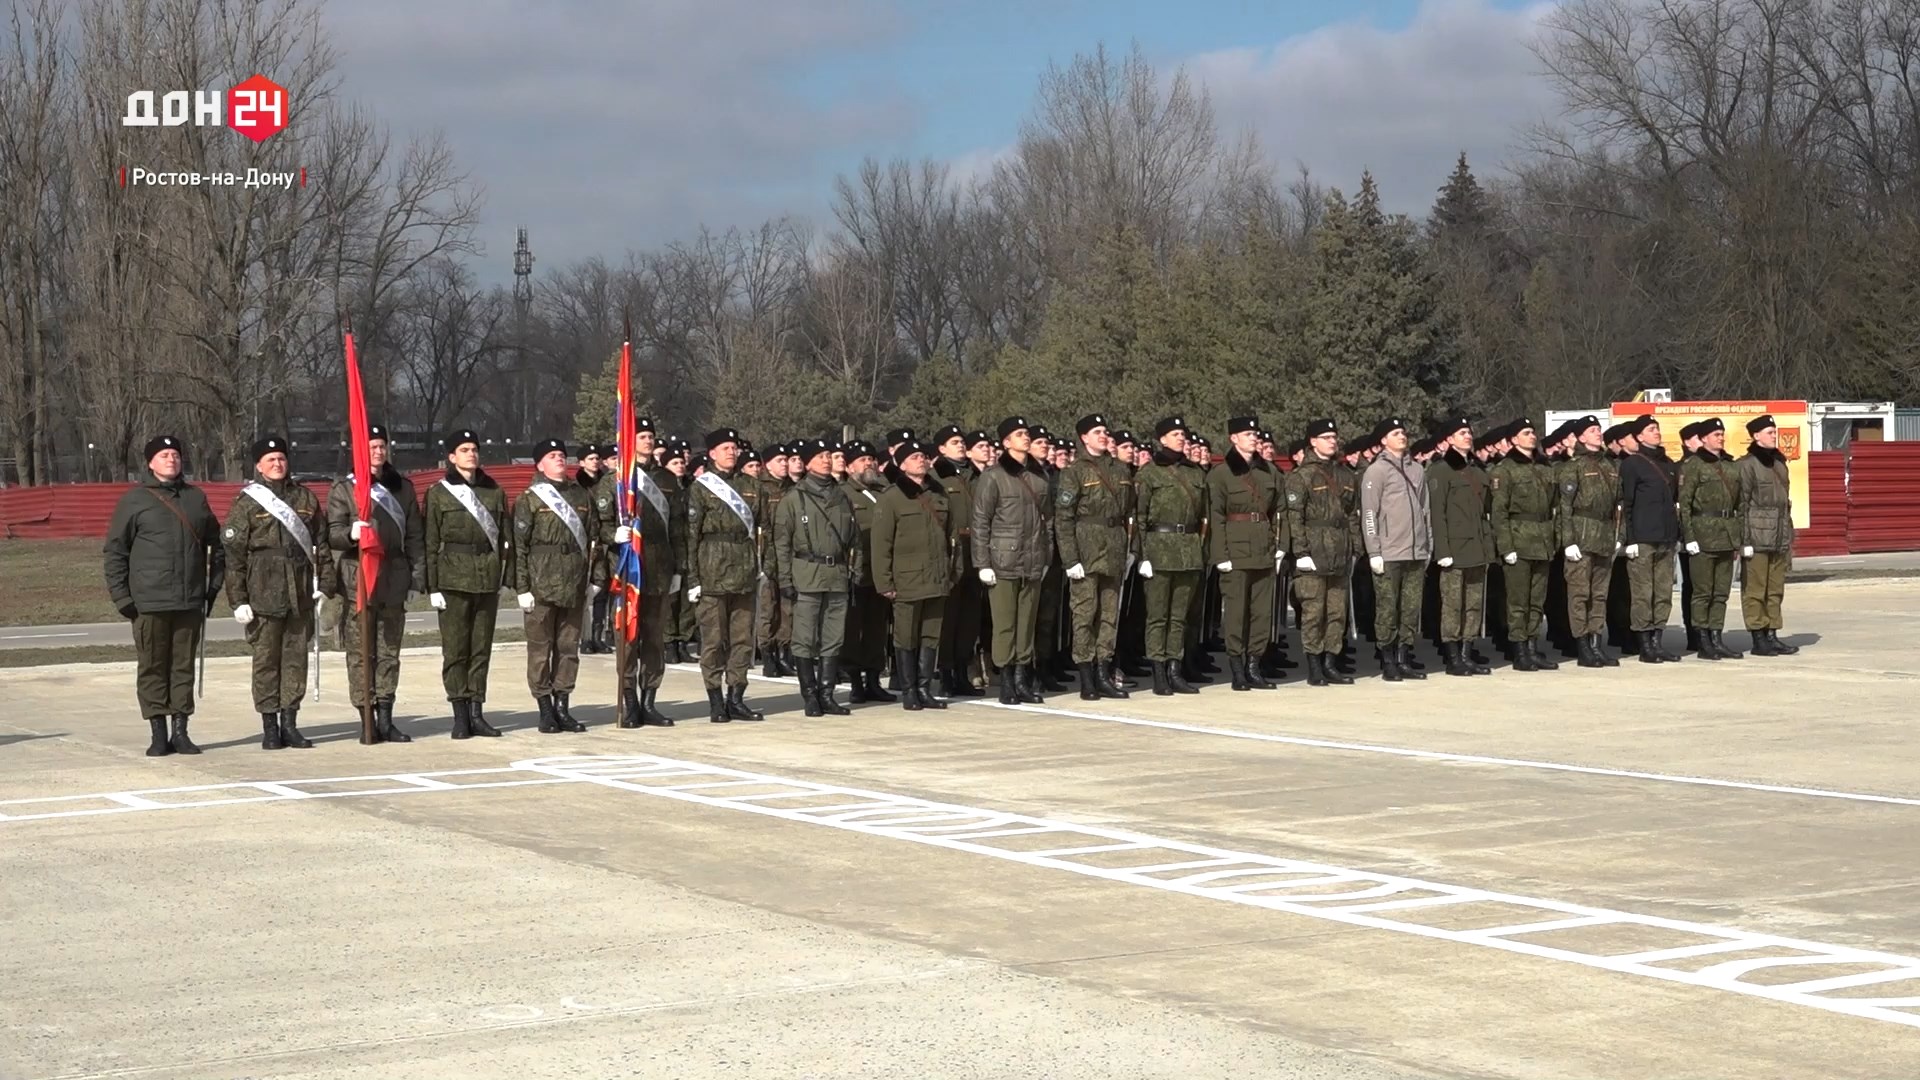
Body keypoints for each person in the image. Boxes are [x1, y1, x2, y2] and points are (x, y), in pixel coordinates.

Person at [103, 435, 224, 756]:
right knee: (153, 666)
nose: (171, 460)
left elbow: (218, 545)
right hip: (149, 602)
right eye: (164, 455)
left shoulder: (196, 498)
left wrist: (212, 588)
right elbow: (115, 551)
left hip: (189, 600)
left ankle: (181, 731)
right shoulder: (135, 501)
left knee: (182, 666)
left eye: (175, 455)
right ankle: (158, 731)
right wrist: (122, 598)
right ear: (150, 463)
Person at [225, 434, 335, 749]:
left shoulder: (305, 499)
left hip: (299, 594)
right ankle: (269, 726)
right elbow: (233, 557)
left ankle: (290, 722)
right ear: (259, 466)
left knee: (295, 661)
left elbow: (322, 545)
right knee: (266, 662)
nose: (277, 464)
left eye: (282, 459)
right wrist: (238, 600)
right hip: (263, 595)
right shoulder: (246, 502)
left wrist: (325, 584)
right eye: (270, 460)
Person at [326, 424, 424, 742]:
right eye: (372, 446)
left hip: (393, 575)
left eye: (382, 446)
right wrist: (350, 533)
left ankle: (386, 716)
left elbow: (414, 536)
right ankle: (365, 715)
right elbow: (332, 533)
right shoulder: (344, 489)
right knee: (359, 652)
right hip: (358, 577)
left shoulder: (402, 488)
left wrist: (416, 577)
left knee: (388, 650)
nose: (378, 452)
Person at [425, 429, 510, 737]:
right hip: (452, 579)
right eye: (464, 449)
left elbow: (505, 538)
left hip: (486, 578)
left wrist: (505, 577)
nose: (471, 454)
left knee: (480, 650)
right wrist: (432, 587)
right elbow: (430, 542)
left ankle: (477, 711)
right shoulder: (439, 493)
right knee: (456, 650)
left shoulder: (494, 491)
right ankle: (459, 714)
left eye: (474, 448)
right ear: (452, 457)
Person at [512, 438, 602, 733]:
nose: (560, 459)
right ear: (540, 464)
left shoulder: (581, 495)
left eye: (562, 455)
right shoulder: (530, 498)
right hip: (540, 586)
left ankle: (563, 705)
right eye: (552, 456)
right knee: (540, 651)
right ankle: (545, 709)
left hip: (573, 584)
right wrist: (521, 587)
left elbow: (594, 540)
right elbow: (519, 548)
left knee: (568, 649)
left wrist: (595, 579)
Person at [971, 416, 1054, 704]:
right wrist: (982, 563)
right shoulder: (993, 476)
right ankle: (1006, 680)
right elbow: (981, 521)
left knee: (1026, 624)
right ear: (1006, 442)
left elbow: (1048, 521)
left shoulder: (1039, 476)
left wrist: (1046, 557)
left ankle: (1022, 679)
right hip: (1003, 561)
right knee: (1005, 624)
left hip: (1032, 560)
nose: (1026, 438)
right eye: (1019, 434)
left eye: (1026, 434)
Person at [686, 427, 766, 723]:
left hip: (744, 572)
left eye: (734, 448)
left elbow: (763, 531)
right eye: (725, 448)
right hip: (712, 574)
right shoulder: (700, 488)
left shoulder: (752, 486)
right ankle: (715, 700)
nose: (732, 452)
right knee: (714, 641)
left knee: (743, 639)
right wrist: (693, 579)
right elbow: (691, 536)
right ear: (712, 454)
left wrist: (761, 564)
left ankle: (736, 697)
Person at [775, 438, 860, 716]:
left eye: (829, 455)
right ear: (808, 461)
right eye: (821, 456)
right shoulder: (794, 498)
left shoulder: (842, 495)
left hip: (836, 573)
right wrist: (785, 580)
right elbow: (782, 543)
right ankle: (809, 694)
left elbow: (854, 539)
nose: (826, 460)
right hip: (807, 573)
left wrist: (855, 570)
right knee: (804, 636)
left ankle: (827, 693)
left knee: (833, 636)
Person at [872, 439, 956, 711]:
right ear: (902, 463)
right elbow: (881, 543)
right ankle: (908, 689)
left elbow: (951, 536)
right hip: (906, 579)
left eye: (923, 456)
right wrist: (884, 582)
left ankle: (924, 688)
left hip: (937, 576)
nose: (921, 460)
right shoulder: (892, 497)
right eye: (914, 457)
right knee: (906, 636)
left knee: (931, 635)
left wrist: (953, 572)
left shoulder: (939, 494)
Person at [1055, 413, 1134, 700]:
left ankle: (1104, 672)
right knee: (1084, 615)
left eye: (1105, 431)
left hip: (1113, 548)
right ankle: (1086, 677)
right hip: (1085, 551)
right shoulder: (1074, 471)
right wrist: (1070, 559)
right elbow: (1063, 518)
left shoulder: (1121, 470)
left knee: (1109, 616)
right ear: (1084, 438)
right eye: (1096, 431)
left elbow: (1129, 513)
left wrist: (1129, 549)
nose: (1103, 435)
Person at [1207, 416, 1285, 691]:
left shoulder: (1270, 472)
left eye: (1255, 433)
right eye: (1247, 433)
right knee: (1237, 613)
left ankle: (1255, 665)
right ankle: (1237, 669)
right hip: (1236, 550)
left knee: (1261, 614)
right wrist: (1220, 555)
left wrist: (1280, 547)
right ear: (1233, 439)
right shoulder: (1221, 474)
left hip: (1263, 548)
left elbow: (1281, 511)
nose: (1254, 437)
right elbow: (1215, 517)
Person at [1136, 416, 1208, 696]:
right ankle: (1158, 672)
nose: (1181, 438)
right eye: (1175, 434)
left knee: (1179, 616)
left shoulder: (1195, 474)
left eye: (1183, 434)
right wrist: (1141, 554)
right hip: (1158, 548)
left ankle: (1175, 669)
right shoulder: (1148, 473)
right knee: (1157, 616)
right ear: (1162, 439)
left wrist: (1200, 549)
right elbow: (1139, 517)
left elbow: (1204, 517)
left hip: (1188, 550)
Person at [1285, 420, 1358, 686]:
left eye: (1334, 437)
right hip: (1314, 551)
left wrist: (1356, 547)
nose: (1332, 441)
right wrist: (1301, 551)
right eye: (1325, 437)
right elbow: (1295, 517)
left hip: (1339, 550)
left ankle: (1331, 662)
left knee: (1337, 612)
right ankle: (1314, 665)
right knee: (1314, 612)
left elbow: (1351, 515)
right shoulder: (1301, 476)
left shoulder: (1345, 475)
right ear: (1312, 442)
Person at [1360, 417, 1430, 682]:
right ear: (1383, 440)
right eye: (1395, 433)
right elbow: (1369, 514)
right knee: (1388, 608)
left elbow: (1425, 510)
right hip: (1389, 551)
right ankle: (1387, 658)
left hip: (1415, 550)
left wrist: (1427, 545)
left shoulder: (1417, 470)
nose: (1402, 436)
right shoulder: (1376, 472)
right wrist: (1374, 551)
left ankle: (1404, 656)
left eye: (1403, 432)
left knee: (1410, 608)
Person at [1488, 418, 1560, 672]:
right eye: (1526, 433)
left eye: (1533, 432)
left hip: (1542, 540)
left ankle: (1532, 646)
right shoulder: (1504, 470)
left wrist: (1555, 539)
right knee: (1518, 601)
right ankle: (1519, 649)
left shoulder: (1544, 467)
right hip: (1519, 539)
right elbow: (1499, 513)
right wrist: (1506, 547)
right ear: (1513, 440)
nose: (1532, 436)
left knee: (1537, 601)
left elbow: (1555, 507)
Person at [1425, 417, 1495, 677]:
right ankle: (1453, 657)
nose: (1468, 436)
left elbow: (1485, 512)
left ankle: (1467, 653)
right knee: (1453, 605)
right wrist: (1442, 551)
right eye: (1462, 433)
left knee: (1473, 605)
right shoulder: (1440, 471)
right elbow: (1437, 514)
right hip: (1454, 549)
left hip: (1476, 548)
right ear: (1450, 439)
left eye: (1469, 432)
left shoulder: (1477, 470)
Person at [1554, 416, 1622, 668]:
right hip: (1582, 537)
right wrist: (1568, 541)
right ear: (1581, 437)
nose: (1598, 433)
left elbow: (1619, 504)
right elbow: (1564, 507)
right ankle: (1582, 645)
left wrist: (1620, 536)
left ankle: (1596, 643)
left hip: (1604, 536)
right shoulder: (1574, 467)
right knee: (1580, 594)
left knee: (1600, 595)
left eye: (1598, 429)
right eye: (1592, 430)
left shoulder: (1611, 465)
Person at [1618, 416, 1685, 663]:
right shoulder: (1632, 464)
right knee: (1643, 592)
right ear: (1639, 436)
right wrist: (1630, 539)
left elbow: (1674, 502)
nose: (1657, 433)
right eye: (1651, 429)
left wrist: (1677, 535)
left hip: (1666, 538)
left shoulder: (1667, 464)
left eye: (1657, 429)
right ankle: (1644, 644)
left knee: (1663, 592)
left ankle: (1658, 640)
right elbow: (1627, 504)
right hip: (1644, 538)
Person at [1679, 417, 1746, 660]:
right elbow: (1684, 505)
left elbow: (1741, 505)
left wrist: (1740, 538)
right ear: (1704, 438)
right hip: (1703, 533)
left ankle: (1717, 637)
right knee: (1702, 592)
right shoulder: (1693, 465)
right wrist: (1689, 537)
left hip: (1726, 535)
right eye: (1716, 435)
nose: (1721, 438)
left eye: (1722, 434)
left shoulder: (1730, 466)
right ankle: (1703, 640)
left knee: (1721, 592)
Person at [839, 441, 896, 704]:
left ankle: (873, 679)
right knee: (853, 630)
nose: (869, 463)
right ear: (850, 466)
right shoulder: (843, 494)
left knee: (876, 629)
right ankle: (854, 681)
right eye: (862, 460)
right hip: (856, 573)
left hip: (882, 572)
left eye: (872, 459)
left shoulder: (886, 492)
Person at [1737, 414, 1798, 656]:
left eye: (1775, 432)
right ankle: (1758, 636)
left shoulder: (1779, 463)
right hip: (1757, 537)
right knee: (1755, 589)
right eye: (1770, 432)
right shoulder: (1748, 464)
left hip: (1779, 536)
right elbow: (1741, 505)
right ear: (1756, 436)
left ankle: (1772, 633)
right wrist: (1744, 541)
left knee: (1775, 588)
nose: (1775, 435)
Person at [933, 426, 984, 698]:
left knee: (969, 618)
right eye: (954, 442)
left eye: (962, 442)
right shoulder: (936, 476)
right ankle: (946, 673)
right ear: (941, 449)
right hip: (951, 551)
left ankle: (964, 671)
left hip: (976, 549)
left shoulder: (977, 476)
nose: (961, 446)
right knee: (949, 617)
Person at [755, 443, 795, 677]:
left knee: (787, 609)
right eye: (780, 460)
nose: (784, 464)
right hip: (768, 554)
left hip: (789, 554)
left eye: (786, 460)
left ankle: (784, 652)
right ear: (768, 464)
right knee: (768, 609)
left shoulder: (793, 488)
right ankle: (768, 653)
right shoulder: (760, 488)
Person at [577, 443, 613, 654]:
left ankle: (599, 635)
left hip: (605, 539)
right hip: (588, 540)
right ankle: (585, 637)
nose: (596, 462)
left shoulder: (606, 483)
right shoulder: (578, 486)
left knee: (603, 590)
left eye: (597, 458)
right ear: (582, 463)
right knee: (586, 592)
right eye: (591, 458)